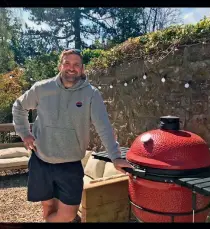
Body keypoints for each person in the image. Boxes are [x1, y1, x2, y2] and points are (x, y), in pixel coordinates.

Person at [12, 48, 133, 223]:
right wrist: (24, 133)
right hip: (41, 161)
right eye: (67, 63)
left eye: (76, 64)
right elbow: (19, 106)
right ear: (60, 66)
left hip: (70, 165)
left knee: (68, 214)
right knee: (48, 207)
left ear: (82, 69)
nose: (71, 67)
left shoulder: (91, 94)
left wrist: (115, 157)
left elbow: (104, 127)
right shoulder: (42, 88)